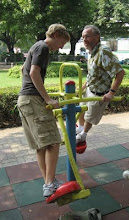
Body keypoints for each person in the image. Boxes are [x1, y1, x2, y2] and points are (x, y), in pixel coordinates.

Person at [17, 24, 70, 197]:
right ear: (55, 35)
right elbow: (34, 73)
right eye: (62, 42)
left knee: (41, 146)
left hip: (24, 100)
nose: (61, 47)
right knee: (54, 142)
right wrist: (47, 99)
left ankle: (49, 181)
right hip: (33, 100)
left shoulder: (35, 46)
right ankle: (49, 184)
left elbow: (22, 70)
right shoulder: (43, 47)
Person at [76, 25, 125, 144]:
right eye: (83, 37)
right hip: (89, 89)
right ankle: (81, 129)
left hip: (99, 93)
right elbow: (95, 73)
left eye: (87, 36)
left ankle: (83, 135)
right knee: (81, 110)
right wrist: (85, 85)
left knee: (90, 117)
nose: (84, 40)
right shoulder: (92, 53)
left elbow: (120, 73)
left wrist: (111, 93)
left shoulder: (104, 52)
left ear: (97, 37)